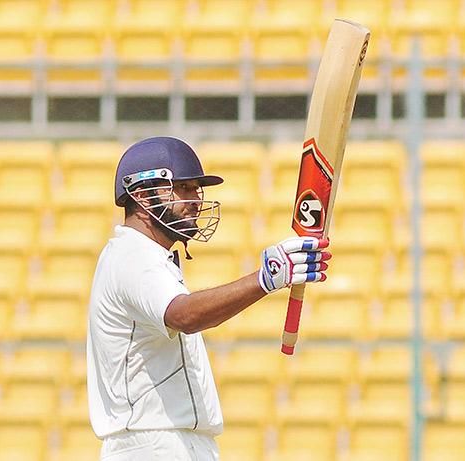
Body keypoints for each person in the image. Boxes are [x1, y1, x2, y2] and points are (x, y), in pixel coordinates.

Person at [86, 136, 331, 460]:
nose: (196, 200)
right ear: (142, 195)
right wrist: (266, 278)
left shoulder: (147, 256)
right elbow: (183, 316)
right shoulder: (133, 255)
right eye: (183, 188)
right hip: (152, 445)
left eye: (197, 189)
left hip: (169, 442)